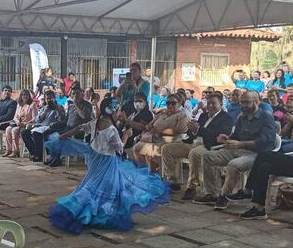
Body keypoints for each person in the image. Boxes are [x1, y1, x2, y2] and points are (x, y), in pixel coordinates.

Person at [45, 94, 170, 234]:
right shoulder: (111, 130)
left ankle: (82, 210)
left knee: (92, 185)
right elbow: (120, 148)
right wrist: (127, 135)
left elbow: (80, 128)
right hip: (107, 163)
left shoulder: (95, 122)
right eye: (118, 111)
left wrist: (63, 136)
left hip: (94, 160)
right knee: (109, 188)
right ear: (113, 111)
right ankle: (97, 214)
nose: (119, 114)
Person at [193, 91, 280, 210]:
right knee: (207, 156)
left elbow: (265, 141)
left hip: (257, 155)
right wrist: (227, 139)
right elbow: (236, 136)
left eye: (246, 102)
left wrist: (240, 144)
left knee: (233, 165)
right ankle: (212, 193)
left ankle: (224, 195)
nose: (243, 105)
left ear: (256, 102)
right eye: (241, 102)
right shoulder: (241, 117)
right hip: (238, 150)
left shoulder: (266, 117)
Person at [162, 92, 234, 199]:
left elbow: (219, 135)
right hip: (192, 143)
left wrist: (199, 130)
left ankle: (192, 187)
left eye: (213, 103)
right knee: (166, 148)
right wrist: (191, 130)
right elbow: (194, 133)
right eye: (208, 103)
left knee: (194, 153)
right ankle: (172, 180)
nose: (210, 106)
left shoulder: (226, 118)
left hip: (209, 146)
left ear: (221, 104)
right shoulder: (203, 115)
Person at [132, 93, 189, 173]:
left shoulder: (182, 116)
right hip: (154, 139)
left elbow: (179, 130)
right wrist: (149, 126)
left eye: (173, 103)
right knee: (137, 148)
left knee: (151, 151)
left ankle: (154, 174)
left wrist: (160, 131)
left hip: (170, 142)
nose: (170, 105)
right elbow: (151, 123)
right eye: (168, 103)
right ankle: (143, 172)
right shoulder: (162, 114)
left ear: (179, 103)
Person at [45, 86, 92, 167]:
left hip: (78, 130)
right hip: (67, 127)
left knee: (58, 137)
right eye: (73, 94)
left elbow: (84, 117)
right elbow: (66, 119)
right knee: (47, 133)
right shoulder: (70, 106)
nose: (75, 95)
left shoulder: (87, 105)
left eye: (77, 93)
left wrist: (76, 104)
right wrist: (57, 122)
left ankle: (57, 159)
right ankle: (52, 156)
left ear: (82, 93)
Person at [22, 89, 66, 162]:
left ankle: (39, 155)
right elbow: (37, 120)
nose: (49, 100)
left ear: (54, 98)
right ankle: (34, 153)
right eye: (47, 98)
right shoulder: (44, 108)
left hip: (51, 128)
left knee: (36, 134)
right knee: (24, 133)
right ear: (45, 99)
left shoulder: (59, 107)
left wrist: (56, 108)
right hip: (40, 127)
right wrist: (44, 112)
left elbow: (62, 118)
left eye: (51, 98)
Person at [4, 89, 37, 157]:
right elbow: (15, 116)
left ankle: (16, 150)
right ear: (21, 96)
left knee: (14, 130)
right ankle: (9, 149)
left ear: (29, 96)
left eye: (26, 95)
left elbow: (35, 118)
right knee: (8, 129)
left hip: (27, 124)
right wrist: (17, 122)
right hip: (18, 123)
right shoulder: (19, 105)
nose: (24, 96)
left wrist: (25, 123)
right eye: (23, 95)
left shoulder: (32, 105)